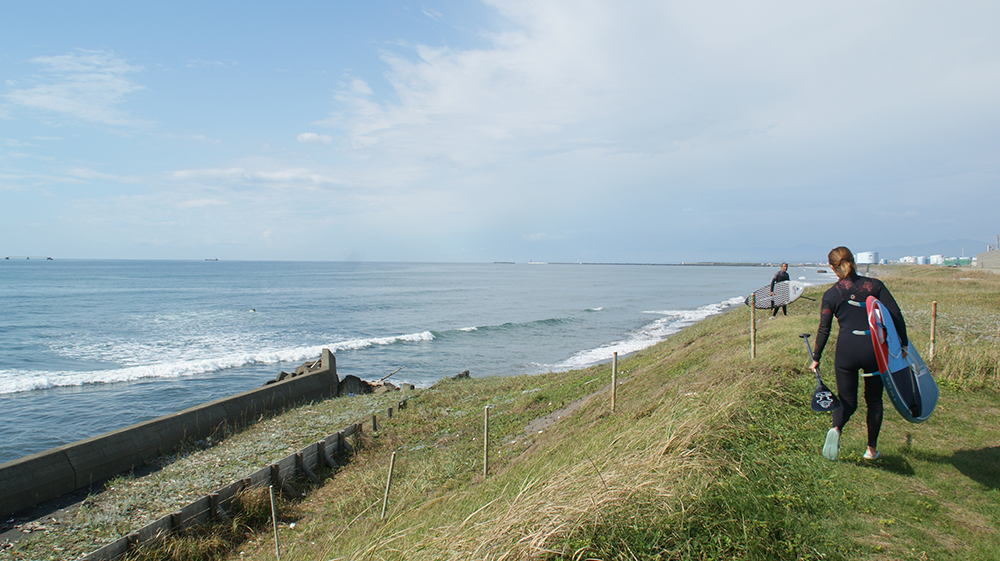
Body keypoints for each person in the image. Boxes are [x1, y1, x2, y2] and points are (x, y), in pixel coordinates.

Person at [809, 247, 907, 461]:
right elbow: (896, 315)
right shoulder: (875, 286)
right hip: (874, 351)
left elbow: (824, 329)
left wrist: (816, 358)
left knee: (847, 400)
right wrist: (904, 344)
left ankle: (836, 429)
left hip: (847, 352)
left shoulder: (831, 294)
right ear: (853, 261)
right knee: (873, 400)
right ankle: (871, 450)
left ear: (832, 267)